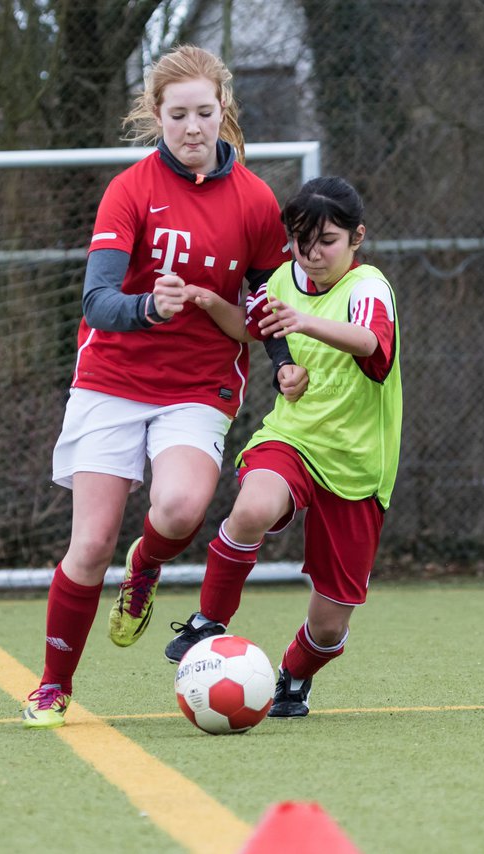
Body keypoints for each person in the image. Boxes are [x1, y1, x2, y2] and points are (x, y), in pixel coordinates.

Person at [22, 45, 308, 729]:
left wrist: (284, 360)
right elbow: (97, 303)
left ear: (222, 112)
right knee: (88, 546)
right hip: (112, 379)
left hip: (198, 385)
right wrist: (150, 306)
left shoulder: (255, 201)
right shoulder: (131, 190)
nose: (191, 127)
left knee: (179, 511)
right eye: (177, 114)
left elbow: (266, 300)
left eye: (204, 113)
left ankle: (145, 567)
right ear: (157, 115)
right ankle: (54, 685)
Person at [164, 176, 402, 718]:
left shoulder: (368, 286)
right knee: (250, 508)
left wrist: (306, 325)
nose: (312, 255)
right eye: (301, 241)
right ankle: (210, 620)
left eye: (327, 242)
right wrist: (209, 302)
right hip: (292, 436)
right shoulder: (281, 280)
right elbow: (252, 328)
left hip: (358, 464)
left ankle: (293, 676)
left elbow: (370, 343)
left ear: (357, 237)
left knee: (330, 622)